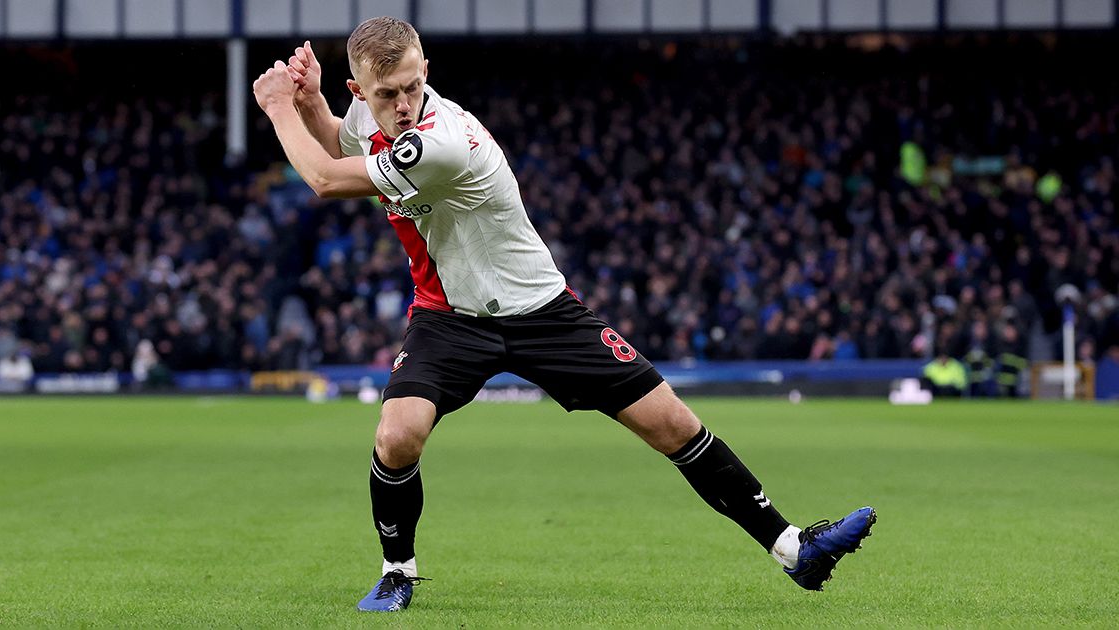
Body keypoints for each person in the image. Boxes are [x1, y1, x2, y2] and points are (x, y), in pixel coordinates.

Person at [252, 17, 876, 613]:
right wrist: (310, 104)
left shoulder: (441, 142)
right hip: (449, 315)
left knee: (673, 424)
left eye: (415, 84)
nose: (405, 101)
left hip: (541, 309)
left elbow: (329, 180)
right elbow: (343, 141)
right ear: (360, 89)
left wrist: (279, 104)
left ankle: (794, 548)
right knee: (396, 437)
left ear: (426, 70)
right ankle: (397, 573)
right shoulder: (373, 113)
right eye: (387, 93)